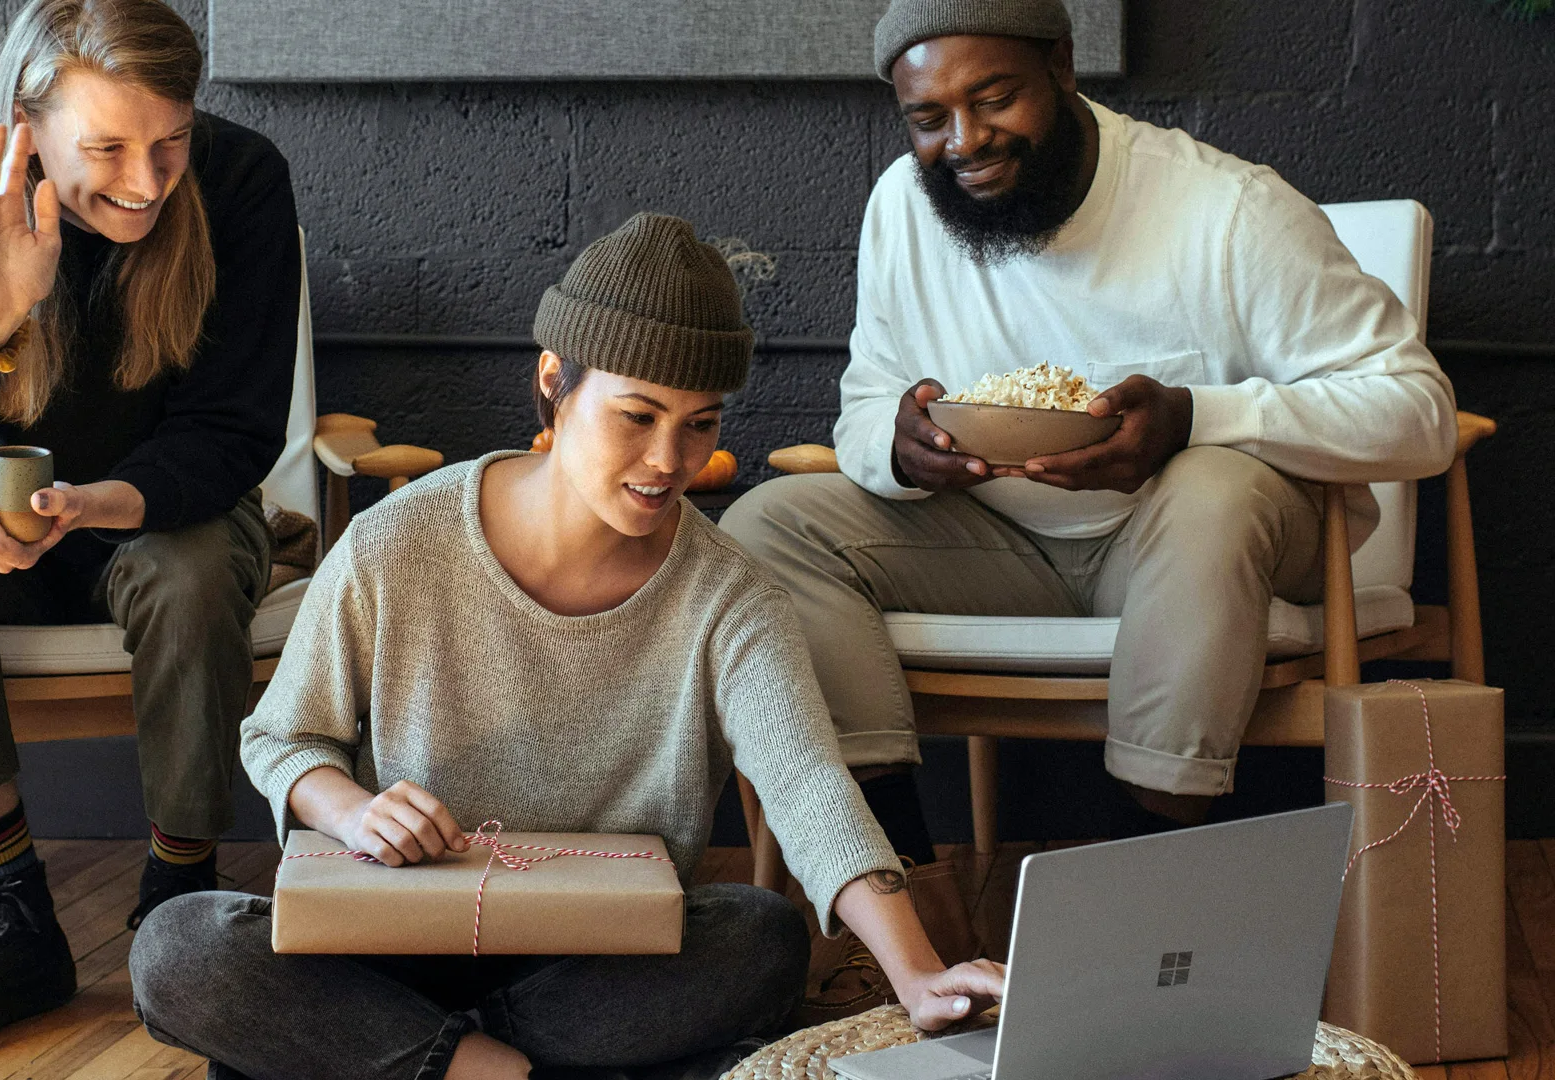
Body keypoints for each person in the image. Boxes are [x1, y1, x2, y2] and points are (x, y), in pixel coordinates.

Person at [128, 214, 1006, 1080]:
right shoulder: (396, 542)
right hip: (390, 944)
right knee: (176, 947)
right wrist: (353, 812)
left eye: (700, 424)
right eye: (637, 415)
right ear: (555, 379)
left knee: (759, 937)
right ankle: (484, 1068)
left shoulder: (730, 598)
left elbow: (810, 786)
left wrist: (919, 978)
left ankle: (405, 1061)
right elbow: (283, 738)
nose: (670, 460)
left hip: (594, 969)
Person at [723, 0, 1456, 866]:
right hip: (1002, 547)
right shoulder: (903, 208)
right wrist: (896, 444)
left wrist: (1197, 417)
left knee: (1211, 484)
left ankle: (1136, 893)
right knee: (767, 526)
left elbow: (1421, 413)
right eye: (929, 118)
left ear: (1063, 68)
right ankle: (903, 909)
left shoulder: (1230, 210)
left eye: (994, 99)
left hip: (1212, 552)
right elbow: (866, 403)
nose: (964, 141)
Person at [0, 0, 301, 1046]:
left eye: (169, 141)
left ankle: (180, 891)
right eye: (107, 149)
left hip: (149, 525)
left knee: (196, 562)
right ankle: (11, 905)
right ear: (26, 122)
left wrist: (95, 505)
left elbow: (230, 433)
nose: (144, 179)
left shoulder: (241, 181)